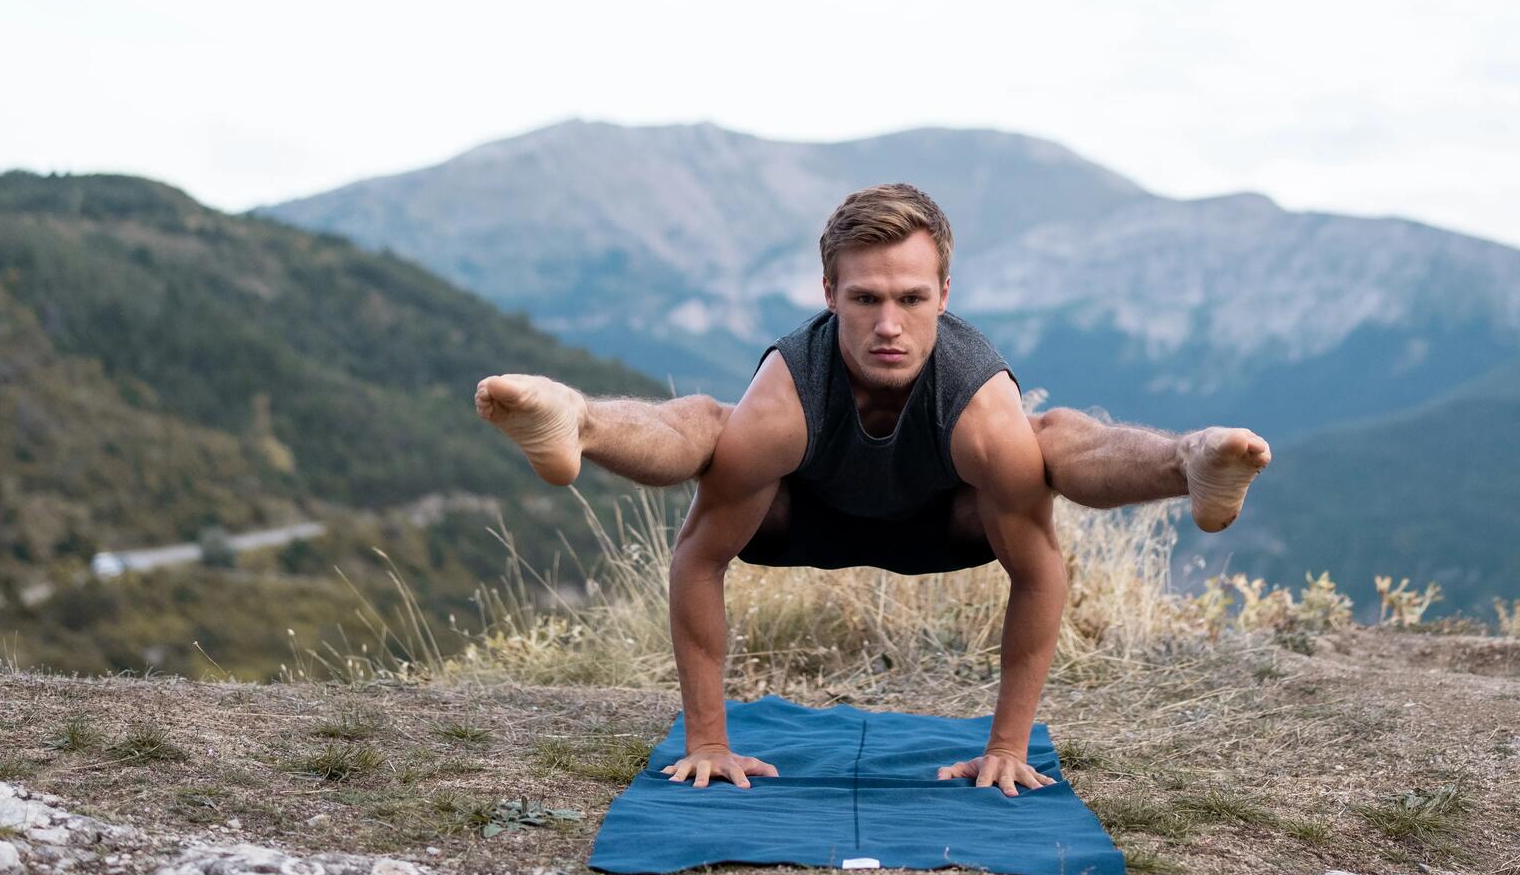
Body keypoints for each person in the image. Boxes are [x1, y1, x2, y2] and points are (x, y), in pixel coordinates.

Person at [475, 183, 1271, 796]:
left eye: (911, 298)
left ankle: (1188, 461)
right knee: (714, 428)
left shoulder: (978, 407)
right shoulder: (789, 393)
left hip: (949, 527)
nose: (888, 322)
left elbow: (1038, 570)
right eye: (865, 298)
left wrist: (1007, 745)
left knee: (1043, 440)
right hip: (796, 520)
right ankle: (580, 420)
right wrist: (708, 739)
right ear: (829, 294)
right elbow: (697, 558)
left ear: (945, 294)